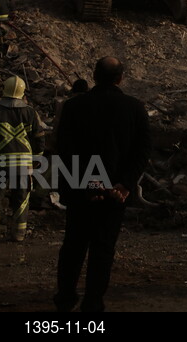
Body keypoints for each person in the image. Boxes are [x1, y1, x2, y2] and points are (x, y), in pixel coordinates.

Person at [54, 57, 150, 313]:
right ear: (120, 78)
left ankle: (65, 299)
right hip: (114, 193)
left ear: (94, 76)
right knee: (103, 249)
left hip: (81, 193)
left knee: (73, 246)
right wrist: (125, 184)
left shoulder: (74, 107)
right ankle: (93, 301)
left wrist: (83, 186)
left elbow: (64, 150)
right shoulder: (135, 108)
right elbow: (141, 152)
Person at [0, 76, 47, 244]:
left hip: (0, 162)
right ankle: (18, 234)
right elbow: (39, 137)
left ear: (4, 90)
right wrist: (37, 157)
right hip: (23, 164)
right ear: (22, 93)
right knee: (21, 196)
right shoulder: (30, 112)